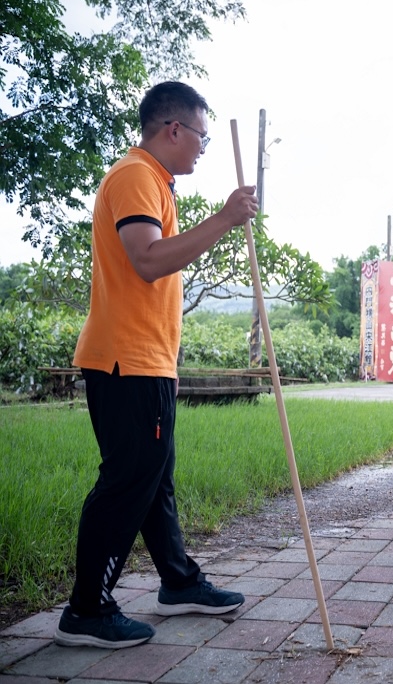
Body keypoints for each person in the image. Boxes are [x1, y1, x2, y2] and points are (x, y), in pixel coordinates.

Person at [55, 81, 259, 649]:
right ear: (174, 129)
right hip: (126, 362)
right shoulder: (135, 176)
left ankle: (178, 582)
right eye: (201, 135)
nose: (202, 147)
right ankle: (87, 611)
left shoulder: (155, 181)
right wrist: (222, 220)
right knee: (128, 481)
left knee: (153, 480)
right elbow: (146, 260)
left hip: (146, 362)